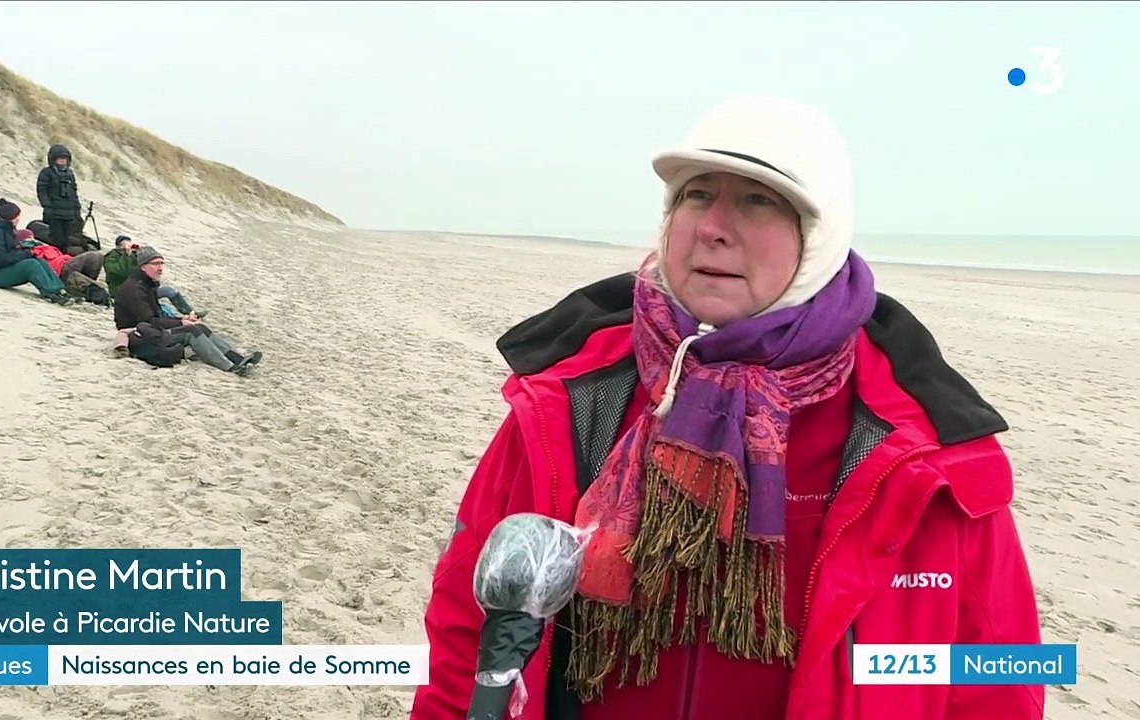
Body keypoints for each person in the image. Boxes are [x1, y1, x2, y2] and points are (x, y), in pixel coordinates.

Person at [410, 96, 1044, 720]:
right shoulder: (573, 397)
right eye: (694, 195)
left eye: (757, 199)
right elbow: (467, 630)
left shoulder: (920, 444)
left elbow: (998, 676)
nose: (712, 225)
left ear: (819, 236)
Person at [113, 246, 261, 375]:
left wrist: (181, 320)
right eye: (156, 264)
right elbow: (147, 321)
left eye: (162, 263)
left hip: (150, 331)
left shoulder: (145, 284)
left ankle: (237, 358)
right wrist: (181, 322)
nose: (161, 268)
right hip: (139, 336)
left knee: (199, 327)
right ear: (143, 267)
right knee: (191, 331)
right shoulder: (134, 289)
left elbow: (155, 317)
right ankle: (230, 367)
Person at [0, 198, 77, 306]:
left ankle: (60, 290)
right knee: (31, 265)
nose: (18, 219)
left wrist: (25, 250)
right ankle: (51, 292)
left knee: (39, 260)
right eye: (17, 216)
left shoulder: (5, 230)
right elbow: (0, 259)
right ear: (11, 218)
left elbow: (8, 253)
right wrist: (26, 254)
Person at [103, 234, 205, 317]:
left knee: (168, 291)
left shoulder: (134, 255)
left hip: (140, 288)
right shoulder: (111, 257)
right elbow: (120, 272)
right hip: (122, 292)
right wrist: (126, 255)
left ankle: (190, 313)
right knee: (157, 307)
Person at [18, 229, 112, 306]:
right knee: (94, 256)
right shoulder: (28, 251)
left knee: (96, 257)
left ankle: (86, 286)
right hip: (59, 270)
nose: (32, 239)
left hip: (65, 263)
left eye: (32, 237)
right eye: (29, 238)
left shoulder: (45, 247)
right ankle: (86, 287)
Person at [35, 143, 81, 253]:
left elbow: (73, 192)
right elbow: (42, 191)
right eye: (60, 158)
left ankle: (62, 258)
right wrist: (47, 207)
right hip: (54, 212)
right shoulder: (46, 173)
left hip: (69, 213)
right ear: (53, 159)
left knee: (66, 240)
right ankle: (54, 258)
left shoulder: (70, 174)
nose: (62, 161)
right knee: (55, 239)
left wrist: (77, 209)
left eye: (64, 159)